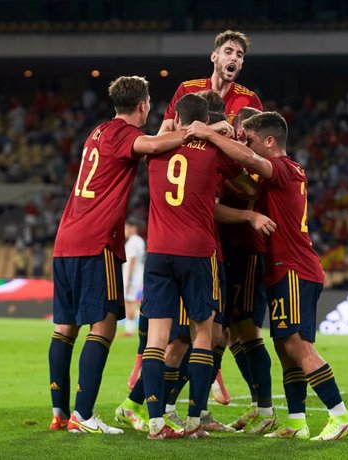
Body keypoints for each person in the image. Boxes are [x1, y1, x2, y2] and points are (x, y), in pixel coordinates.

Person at [187, 112, 348, 441]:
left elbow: (249, 159)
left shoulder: (281, 168)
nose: (245, 143)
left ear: (269, 141)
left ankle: (340, 415)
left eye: (249, 138)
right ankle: (296, 421)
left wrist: (208, 135)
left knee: (297, 344)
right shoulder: (284, 174)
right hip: (283, 270)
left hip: (294, 269)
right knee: (284, 347)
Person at [48, 75, 190, 435]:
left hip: (66, 238)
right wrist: (195, 132)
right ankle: (83, 415)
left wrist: (164, 132)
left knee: (64, 328)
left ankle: (59, 411)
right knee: (106, 324)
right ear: (143, 105)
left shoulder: (97, 132)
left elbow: (147, 143)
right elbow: (154, 146)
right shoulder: (127, 136)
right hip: (97, 241)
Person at [140, 93, 258, 439]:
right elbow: (247, 184)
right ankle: (194, 421)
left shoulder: (155, 149)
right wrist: (218, 134)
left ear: (176, 120)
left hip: (159, 252)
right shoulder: (213, 151)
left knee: (157, 339)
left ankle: (156, 422)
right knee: (205, 333)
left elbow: (161, 137)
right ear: (203, 121)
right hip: (198, 251)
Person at [216, 106, 277, 433]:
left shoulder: (254, 163)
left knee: (247, 330)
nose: (235, 133)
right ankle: (258, 405)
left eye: (239, 130)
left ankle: (266, 408)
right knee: (232, 334)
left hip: (249, 251)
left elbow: (251, 191)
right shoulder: (238, 159)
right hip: (229, 250)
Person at [158, 30, 262, 135]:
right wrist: (212, 129)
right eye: (228, 52)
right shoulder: (187, 89)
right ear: (214, 57)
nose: (234, 58)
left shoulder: (250, 99)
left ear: (241, 64)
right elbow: (162, 135)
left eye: (239, 55)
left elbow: (259, 144)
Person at [123, 218, 146, 337]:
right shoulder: (139, 241)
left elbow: (131, 261)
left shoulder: (133, 242)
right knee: (131, 301)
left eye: (126, 228)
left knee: (129, 302)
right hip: (137, 275)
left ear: (132, 228)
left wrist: (127, 279)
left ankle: (129, 330)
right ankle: (130, 328)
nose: (125, 231)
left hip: (132, 276)